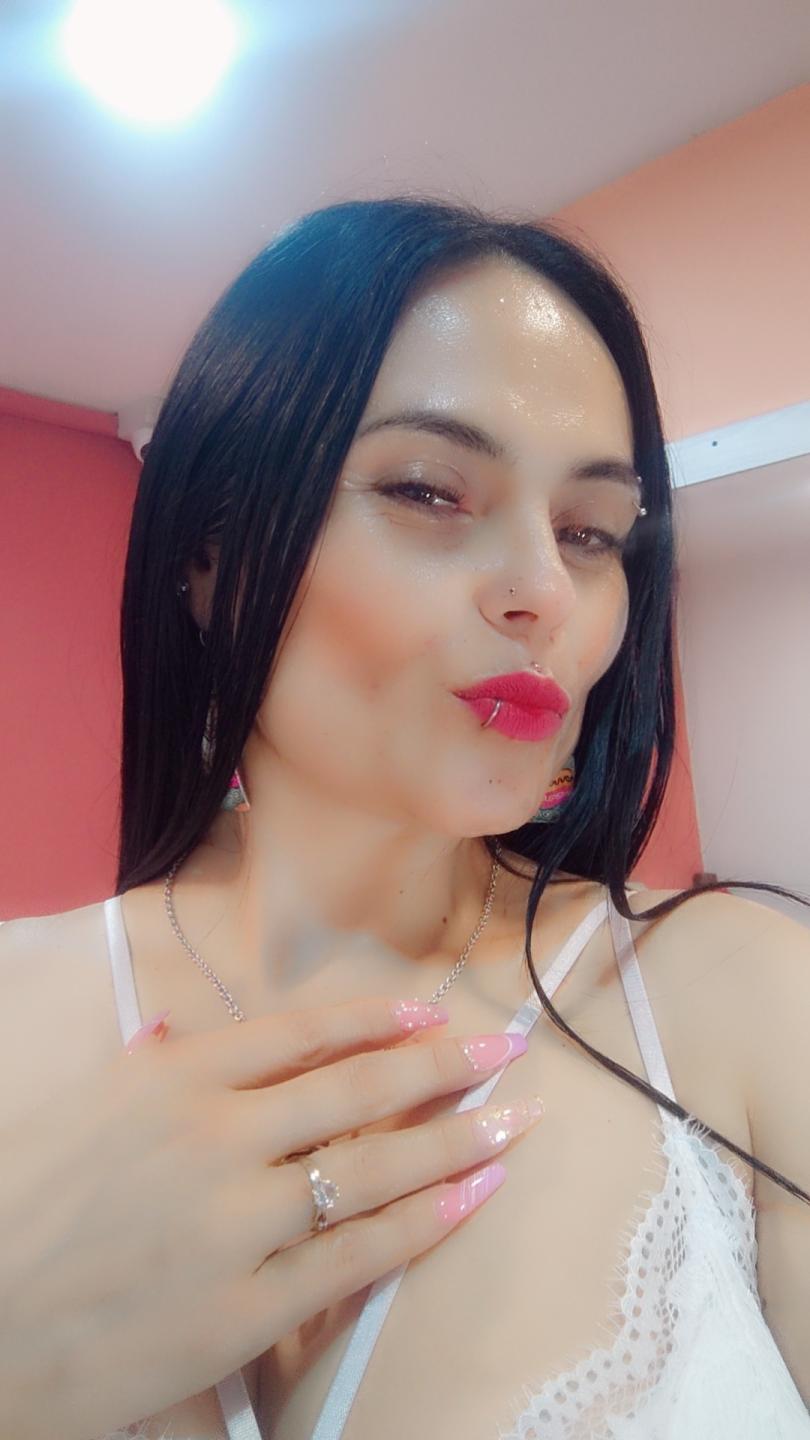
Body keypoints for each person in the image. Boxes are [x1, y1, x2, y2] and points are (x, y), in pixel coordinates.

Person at [1, 195, 808, 1439]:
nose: (546, 589)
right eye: (430, 490)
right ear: (207, 558)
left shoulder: (741, 994)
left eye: (592, 533)